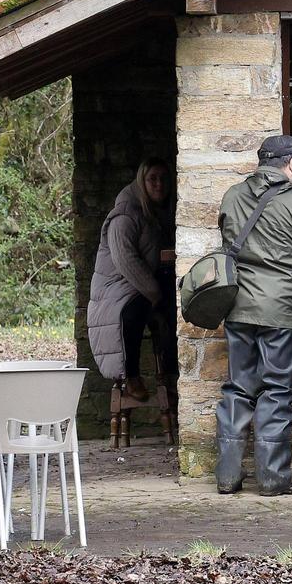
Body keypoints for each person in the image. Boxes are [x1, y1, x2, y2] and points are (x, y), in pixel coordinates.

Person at [215, 135, 292, 497]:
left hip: (238, 305)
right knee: (277, 391)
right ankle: (272, 478)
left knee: (238, 388)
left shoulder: (232, 196)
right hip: (282, 310)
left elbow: (227, 240)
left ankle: (228, 476)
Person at [87, 157, 175, 401]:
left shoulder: (157, 213)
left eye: (163, 178)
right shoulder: (125, 215)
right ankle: (131, 375)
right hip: (117, 288)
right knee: (133, 312)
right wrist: (154, 292)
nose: (158, 184)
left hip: (141, 285)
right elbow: (126, 261)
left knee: (176, 308)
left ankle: (172, 374)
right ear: (141, 182)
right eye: (152, 179)